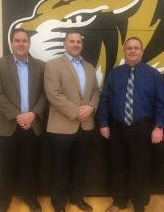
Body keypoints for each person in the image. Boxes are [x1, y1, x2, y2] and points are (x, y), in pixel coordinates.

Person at [98, 37, 164, 212]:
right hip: (118, 127)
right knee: (118, 166)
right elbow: (105, 100)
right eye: (129, 48)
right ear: (124, 51)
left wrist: (159, 126)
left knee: (141, 167)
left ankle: (139, 203)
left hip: (143, 128)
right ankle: (119, 201)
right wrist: (104, 123)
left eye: (136, 48)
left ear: (142, 51)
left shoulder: (153, 75)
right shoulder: (114, 74)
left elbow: (162, 103)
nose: (133, 51)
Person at [0, 28, 47, 212]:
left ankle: (31, 198)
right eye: (17, 40)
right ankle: (3, 201)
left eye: (24, 41)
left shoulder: (41, 66)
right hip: (7, 124)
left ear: (29, 44)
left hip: (32, 123)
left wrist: (33, 114)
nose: (21, 44)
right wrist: (18, 115)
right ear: (11, 43)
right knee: (4, 165)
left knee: (30, 164)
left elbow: (46, 95)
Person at [44, 30, 100, 212]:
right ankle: (59, 204)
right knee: (59, 168)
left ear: (82, 44)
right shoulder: (52, 65)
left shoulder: (90, 67)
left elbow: (95, 92)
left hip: (85, 126)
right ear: (65, 44)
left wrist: (91, 107)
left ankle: (77, 198)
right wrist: (77, 112)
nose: (75, 44)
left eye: (78, 41)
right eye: (71, 41)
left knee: (80, 166)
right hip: (61, 126)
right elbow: (54, 95)